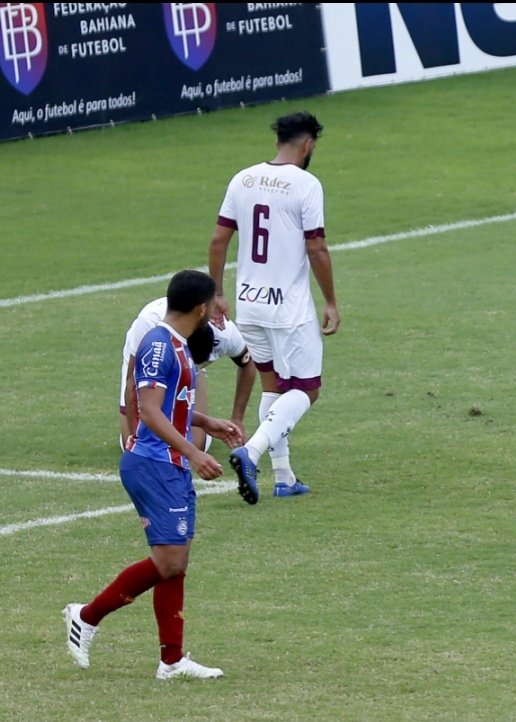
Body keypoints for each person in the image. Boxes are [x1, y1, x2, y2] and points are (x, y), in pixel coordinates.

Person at [64, 270, 242, 679]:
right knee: (168, 561)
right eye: (214, 303)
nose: (217, 309)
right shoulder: (161, 347)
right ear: (201, 307)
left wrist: (207, 422)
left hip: (169, 463)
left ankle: (172, 660)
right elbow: (147, 410)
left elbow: (169, 406)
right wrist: (195, 452)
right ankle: (86, 616)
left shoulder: (176, 345)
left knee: (175, 562)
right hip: (155, 463)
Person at [208, 111, 340, 504]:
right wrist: (331, 299)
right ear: (308, 144)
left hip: (248, 304)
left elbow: (218, 239)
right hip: (289, 309)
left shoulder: (242, 178)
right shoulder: (307, 184)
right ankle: (250, 452)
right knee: (306, 390)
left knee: (274, 385)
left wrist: (217, 292)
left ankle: (284, 476)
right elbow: (316, 247)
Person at [119, 296, 255, 452]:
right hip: (147, 360)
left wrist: (237, 419)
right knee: (134, 442)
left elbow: (247, 364)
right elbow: (133, 383)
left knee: (196, 445)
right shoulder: (150, 326)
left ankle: (193, 380)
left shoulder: (226, 334)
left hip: (188, 358)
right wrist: (137, 442)